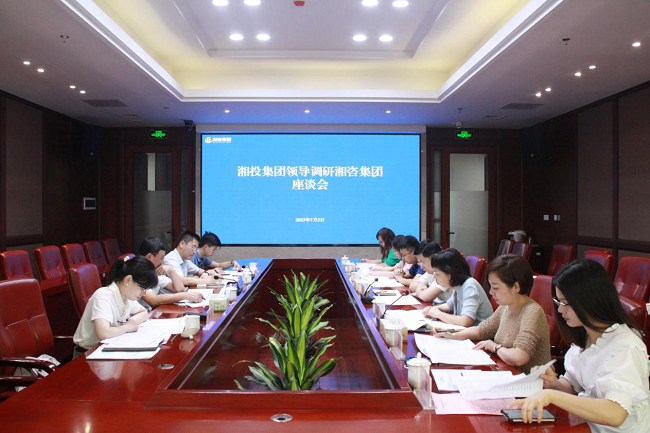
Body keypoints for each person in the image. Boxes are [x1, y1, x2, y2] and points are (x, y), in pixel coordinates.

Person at [508, 259, 650, 430]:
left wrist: (551, 395)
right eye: (558, 303)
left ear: (589, 299)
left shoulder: (626, 346)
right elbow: (573, 387)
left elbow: (616, 413)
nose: (560, 310)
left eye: (565, 303)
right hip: (587, 425)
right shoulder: (585, 335)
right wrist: (554, 384)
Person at [433, 254, 550, 373]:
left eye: (496, 288)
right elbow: (481, 331)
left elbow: (520, 357)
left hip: (527, 379)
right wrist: (453, 335)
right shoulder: (505, 307)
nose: (491, 292)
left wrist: (495, 347)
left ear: (516, 287)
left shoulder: (532, 311)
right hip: (505, 371)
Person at [72, 256, 157, 357]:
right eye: (142, 288)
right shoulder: (103, 296)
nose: (144, 293)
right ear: (128, 280)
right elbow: (103, 333)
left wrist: (131, 321)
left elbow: (143, 312)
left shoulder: (126, 296)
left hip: (109, 349)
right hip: (87, 354)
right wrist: (127, 327)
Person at [421, 248, 493, 326]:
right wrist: (434, 309)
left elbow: (466, 321)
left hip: (479, 332)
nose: (435, 277)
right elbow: (449, 306)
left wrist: (438, 314)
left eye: (437, 274)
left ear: (450, 274)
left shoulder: (469, 286)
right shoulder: (457, 286)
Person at [138, 237, 203, 309]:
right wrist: (185, 296)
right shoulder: (138, 272)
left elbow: (180, 289)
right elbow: (153, 301)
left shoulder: (155, 272)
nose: (163, 261)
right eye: (161, 258)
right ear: (149, 256)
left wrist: (171, 270)